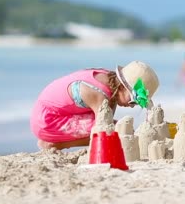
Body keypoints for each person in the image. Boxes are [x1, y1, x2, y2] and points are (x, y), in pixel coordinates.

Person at [30, 60, 159, 150]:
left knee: (118, 127)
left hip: (52, 110)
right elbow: (103, 131)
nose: (132, 106)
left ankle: (57, 142)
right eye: (133, 100)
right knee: (113, 131)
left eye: (137, 104)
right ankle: (54, 144)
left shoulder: (109, 80)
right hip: (46, 120)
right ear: (122, 87)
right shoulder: (99, 95)